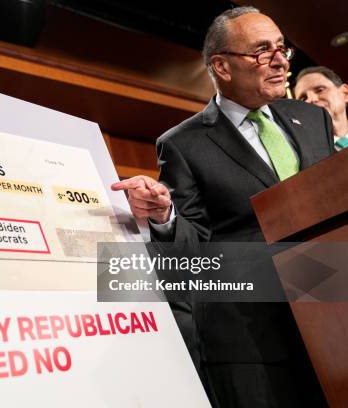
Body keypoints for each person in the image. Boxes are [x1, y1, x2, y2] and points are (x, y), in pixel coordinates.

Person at [111, 6, 332, 408]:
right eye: (262, 51)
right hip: (253, 342)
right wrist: (165, 216)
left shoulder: (313, 120)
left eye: (283, 48)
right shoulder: (183, 144)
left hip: (331, 320)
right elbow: (190, 252)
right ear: (222, 66)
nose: (281, 60)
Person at [294, 66, 348, 150]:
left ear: (345, 93)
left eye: (320, 90)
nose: (310, 99)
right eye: (303, 98)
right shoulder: (304, 155)